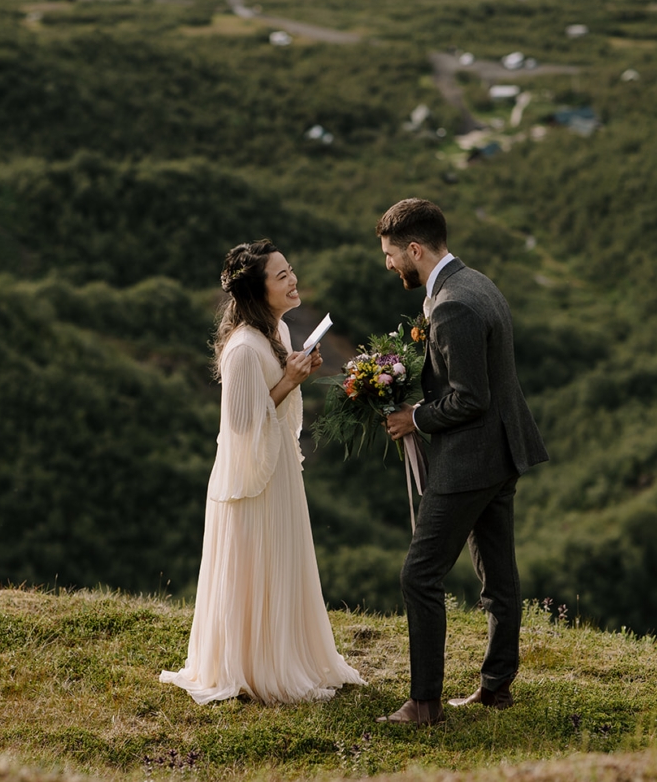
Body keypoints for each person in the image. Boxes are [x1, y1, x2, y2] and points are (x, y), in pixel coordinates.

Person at [160, 239, 365, 705]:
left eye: (290, 270)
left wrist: (295, 376)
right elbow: (240, 426)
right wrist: (290, 381)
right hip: (252, 480)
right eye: (281, 276)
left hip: (278, 468)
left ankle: (287, 653)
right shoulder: (243, 349)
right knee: (258, 565)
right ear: (257, 290)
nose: (293, 280)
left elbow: (277, 407)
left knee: (283, 561)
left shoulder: (280, 332)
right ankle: (255, 666)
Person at [376, 198, 548, 725]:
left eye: (389, 255)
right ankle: (496, 687)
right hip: (502, 451)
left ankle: (424, 702)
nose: (388, 265)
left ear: (414, 249)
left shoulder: (451, 305)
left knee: (419, 576)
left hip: (470, 460)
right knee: (498, 575)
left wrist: (416, 418)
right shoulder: (477, 281)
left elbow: (469, 397)